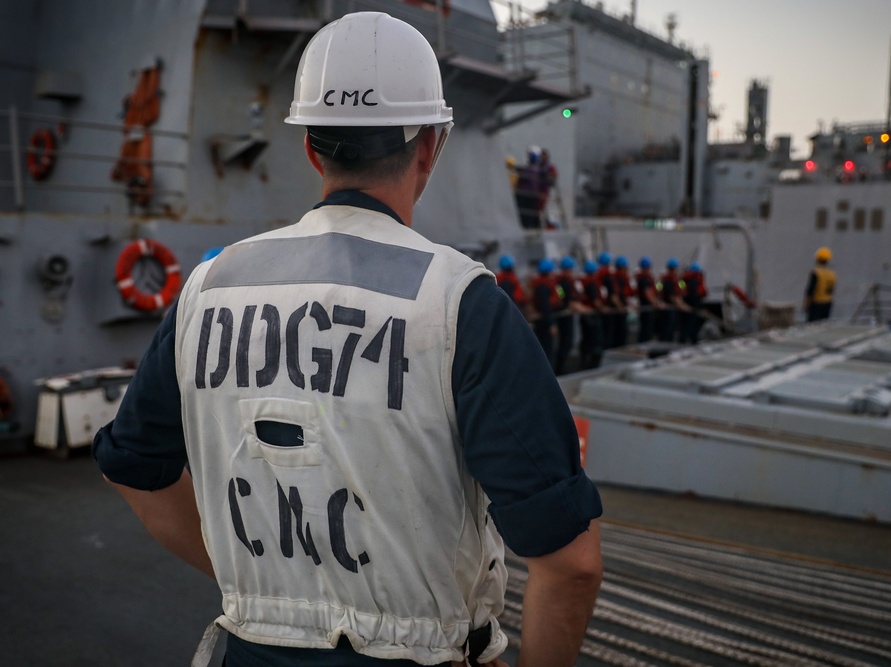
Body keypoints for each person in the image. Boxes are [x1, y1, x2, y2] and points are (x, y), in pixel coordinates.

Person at [92, 13, 602, 667]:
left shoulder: (207, 287)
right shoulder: (460, 302)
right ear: (431, 145)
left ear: (311, 147)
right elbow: (572, 563)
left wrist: (265, 584)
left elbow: (132, 467)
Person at [554, 256, 582, 374]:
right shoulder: (567, 283)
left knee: (563, 343)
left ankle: (560, 367)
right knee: (566, 342)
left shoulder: (558, 282)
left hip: (562, 314)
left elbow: (561, 296)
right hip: (566, 315)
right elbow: (570, 300)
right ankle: (561, 369)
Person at [578, 260, 606, 370]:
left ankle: (585, 362)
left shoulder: (583, 283)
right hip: (592, 316)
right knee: (596, 341)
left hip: (585, 316)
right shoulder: (592, 284)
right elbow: (595, 300)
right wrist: (603, 309)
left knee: (586, 340)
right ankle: (592, 366)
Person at [803, 247, 836, 322]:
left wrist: (806, 304)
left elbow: (810, 290)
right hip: (828, 303)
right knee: (823, 324)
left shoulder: (816, 273)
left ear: (818, 259)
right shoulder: (832, 273)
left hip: (817, 303)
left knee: (813, 325)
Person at [657, 258, 686, 342]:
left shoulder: (671, 279)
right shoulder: (669, 281)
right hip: (669, 308)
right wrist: (681, 305)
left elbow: (682, 289)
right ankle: (664, 346)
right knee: (668, 329)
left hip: (669, 307)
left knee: (670, 329)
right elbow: (672, 296)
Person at [678, 262, 707, 344]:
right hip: (692, 305)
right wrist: (697, 305)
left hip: (687, 302)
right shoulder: (693, 279)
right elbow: (693, 293)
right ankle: (692, 341)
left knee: (685, 325)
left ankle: (684, 340)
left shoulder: (686, 279)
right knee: (692, 324)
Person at [634, 257, 660, 343]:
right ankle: (644, 345)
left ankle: (645, 343)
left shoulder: (643, 278)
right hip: (647, 307)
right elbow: (647, 293)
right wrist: (655, 303)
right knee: (646, 328)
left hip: (646, 306)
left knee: (646, 328)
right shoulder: (645, 279)